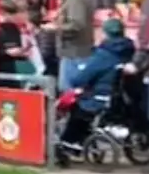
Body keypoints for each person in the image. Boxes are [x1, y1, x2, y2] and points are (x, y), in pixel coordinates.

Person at [56, 17, 135, 155]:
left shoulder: (103, 55)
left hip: (98, 98)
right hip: (121, 98)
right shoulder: (129, 52)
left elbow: (79, 78)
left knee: (75, 108)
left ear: (104, 33)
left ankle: (70, 142)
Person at [47, 0, 95, 90]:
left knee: (68, 88)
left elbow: (77, 24)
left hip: (74, 52)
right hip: (76, 50)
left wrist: (55, 28)